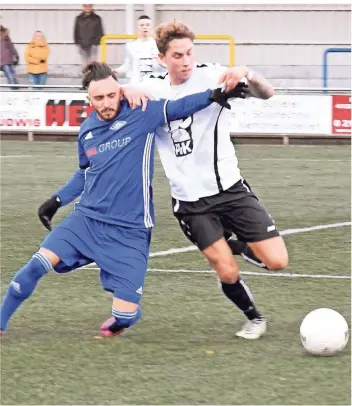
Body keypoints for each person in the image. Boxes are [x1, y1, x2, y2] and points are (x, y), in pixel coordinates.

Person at [0, 61, 248, 337]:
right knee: (36, 265)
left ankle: (124, 316)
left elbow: (179, 107)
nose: (106, 103)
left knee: (125, 315)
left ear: (120, 91)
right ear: (89, 100)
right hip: (87, 220)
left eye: (111, 95)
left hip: (131, 230)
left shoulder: (142, 113)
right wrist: (56, 201)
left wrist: (214, 95)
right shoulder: (88, 131)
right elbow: (85, 172)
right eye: (98, 98)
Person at [136, 21, 289, 339]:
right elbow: (114, 96)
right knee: (226, 270)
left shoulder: (213, 76)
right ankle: (254, 318)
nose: (186, 60)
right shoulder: (152, 90)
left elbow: (266, 93)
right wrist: (126, 89)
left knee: (277, 261)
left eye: (190, 52)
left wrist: (247, 72)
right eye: (178, 55)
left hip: (231, 190)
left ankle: (237, 244)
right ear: (162, 58)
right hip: (191, 203)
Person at [114, 15, 166, 85]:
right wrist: (117, 70)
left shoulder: (158, 45)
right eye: (142, 25)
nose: (145, 27)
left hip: (155, 84)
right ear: (137, 27)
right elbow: (128, 64)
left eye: (148, 25)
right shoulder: (130, 46)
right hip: (136, 84)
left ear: (151, 27)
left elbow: (164, 65)